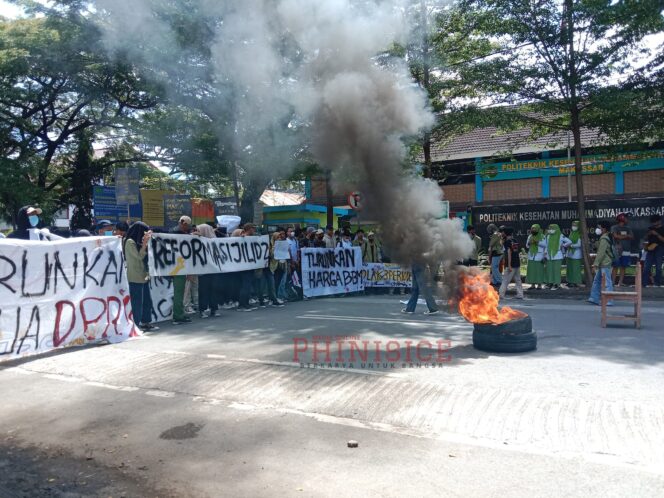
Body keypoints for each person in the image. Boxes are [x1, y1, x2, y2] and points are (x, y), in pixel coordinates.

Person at [122, 222, 159, 331]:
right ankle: (136, 324)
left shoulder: (137, 241)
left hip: (144, 275)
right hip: (135, 276)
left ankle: (146, 321)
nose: (144, 235)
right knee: (137, 302)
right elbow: (138, 256)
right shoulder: (129, 242)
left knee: (147, 300)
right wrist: (144, 244)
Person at [171, 215, 193, 324]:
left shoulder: (177, 233)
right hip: (177, 268)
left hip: (180, 267)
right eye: (187, 226)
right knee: (179, 292)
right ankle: (178, 316)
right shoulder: (176, 234)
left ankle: (180, 313)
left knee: (180, 292)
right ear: (183, 223)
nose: (187, 228)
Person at [195, 224, 220, 318]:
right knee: (203, 291)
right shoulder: (197, 239)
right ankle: (203, 309)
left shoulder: (214, 240)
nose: (198, 231)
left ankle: (214, 309)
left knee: (213, 290)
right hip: (203, 270)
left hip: (213, 269)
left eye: (199, 229)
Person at [588, 221, 614, 306]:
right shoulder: (605, 237)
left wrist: (595, 264)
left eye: (599, 227)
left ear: (604, 229)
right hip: (603, 263)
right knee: (597, 281)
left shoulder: (604, 238)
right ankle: (594, 298)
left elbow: (601, 253)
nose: (598, 229)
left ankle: (609, 300)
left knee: (606, 282)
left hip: (605, 263)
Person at [237, 223, 259, 312]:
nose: (254, 230)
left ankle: (246, 303)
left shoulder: (252, 238)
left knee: (248, 285)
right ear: (249, 229)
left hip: (250, 265)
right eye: (253, 228)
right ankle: (242, 305)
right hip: (244, 266)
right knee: (245, 285)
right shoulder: (242, 237)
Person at [498, 227, 523, 299]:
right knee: (518, 280)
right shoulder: (514, 240)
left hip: (511, 264)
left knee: (505, 280)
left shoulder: (507, 242)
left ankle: (501, 294)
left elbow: (509, 252)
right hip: (517, 263)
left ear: (505, 234)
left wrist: (509, 265)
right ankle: (520, 294)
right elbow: (515, 251)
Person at [544, 224, 570, 290]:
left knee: (556, 270)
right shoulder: (548, 236)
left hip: (557, 255)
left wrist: (563, 245)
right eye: (550, 228)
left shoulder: (561, 236)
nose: (550, 230)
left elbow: (569, 242)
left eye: (552, 228)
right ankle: (550, 283)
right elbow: (546, 245)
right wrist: (545, 253)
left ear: (556, 229)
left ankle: (556, 284)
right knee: (549, 270)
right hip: (549, 255)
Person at [611, 213, 634, 287]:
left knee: (623, 266)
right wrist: (626, 236)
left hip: (626, 249)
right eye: (626, 218)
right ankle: (612, 282)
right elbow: (615, 236)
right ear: (622, 218)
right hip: (617, 250)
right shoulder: (614, 227)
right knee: (615, 266)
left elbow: (631, 237)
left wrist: (621, 236)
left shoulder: (628, 228)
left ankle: (620, 283)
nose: (627, 220)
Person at [642, 215, 664, 287]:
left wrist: (656, 234)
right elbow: (645, 238)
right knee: (646, 267)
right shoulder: (650, 228)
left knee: (658, 267)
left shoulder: (662, 228)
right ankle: (644, 283)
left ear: (659, 221)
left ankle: (657, 283)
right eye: (653, 222)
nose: (653, 224)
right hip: (650, 248)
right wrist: (648, 234)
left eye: (655, 222)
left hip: (660, 248)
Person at [525, 224, 546, 290]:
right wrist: (529, 243)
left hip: (539, 256)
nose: (533, 230)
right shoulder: (530, 236)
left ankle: (539, 285)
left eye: (534, 228)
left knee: (539, 271)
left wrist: (537, 242)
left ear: (538, 229)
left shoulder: (542, 236)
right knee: (532, 271)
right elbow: (527, 246)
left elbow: (545, 245)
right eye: (532, 228)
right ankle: (532, 285)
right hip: (531, 256)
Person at [566, 221, 583, 288]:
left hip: (576, 254)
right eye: (573, 225)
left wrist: (571, 246)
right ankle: (570, 282)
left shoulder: (580, 234)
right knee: (570, 269)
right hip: (570, 253)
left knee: (575, 269)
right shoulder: (572, 233)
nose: (574, 226)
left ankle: (576, 282)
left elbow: (579, 244)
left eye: (575, 225)